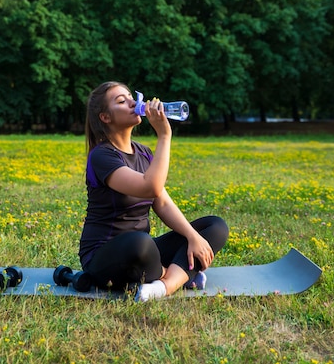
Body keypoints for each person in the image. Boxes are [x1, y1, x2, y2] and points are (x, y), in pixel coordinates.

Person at [78, 81, 229, 301]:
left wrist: (192, 236)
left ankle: (162, 286)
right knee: (140, 243)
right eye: (121, 101)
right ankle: (181, 276)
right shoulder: (102, 156)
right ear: (105, 117)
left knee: (215, 227)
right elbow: (151, 186)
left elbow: (163, 202)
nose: (133, 102)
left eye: (131, 96)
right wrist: (165, 136)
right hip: (107, 255)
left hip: (145, 253)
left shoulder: (143, 152)